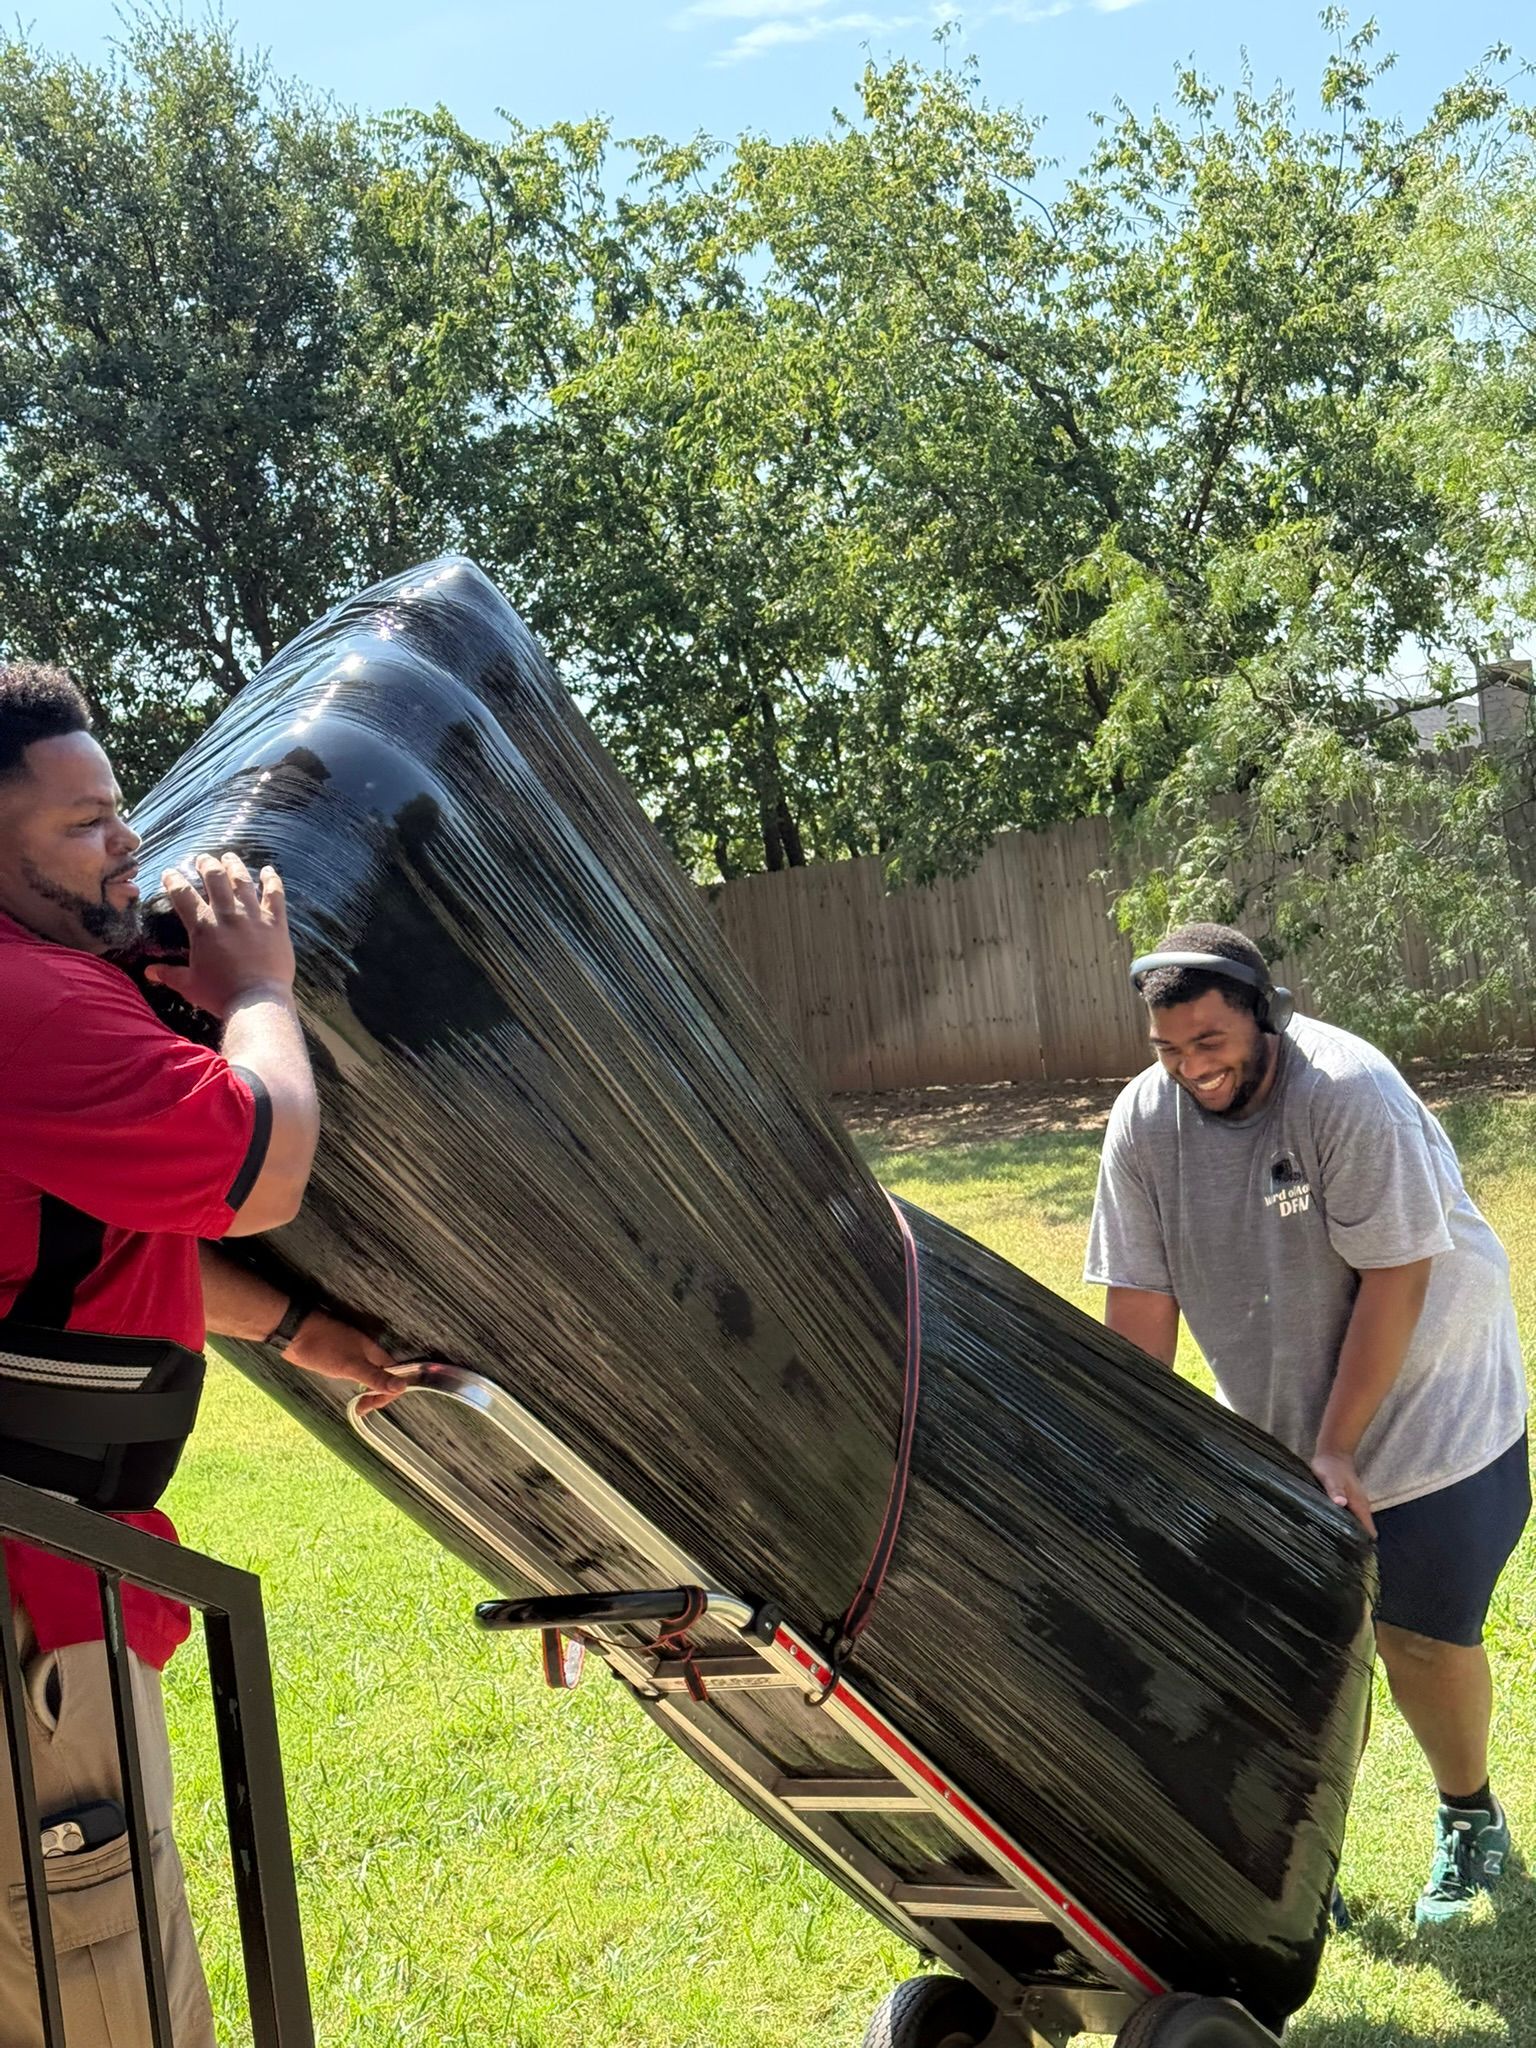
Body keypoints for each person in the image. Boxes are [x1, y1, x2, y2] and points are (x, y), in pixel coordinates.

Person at [0, 662, 404, 2045]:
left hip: (46, 1572)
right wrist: (257, 990)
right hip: (31, 1613)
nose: (128, 843)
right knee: (91, 1986)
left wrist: (304, 1331)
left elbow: (85, 1268)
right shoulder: (31, 1009)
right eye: (85, 823)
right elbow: (259, 1162)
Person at [1085, 921, 1529, 1929]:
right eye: (1169, 1049)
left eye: (1210, 1041)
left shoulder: (1345, 1091)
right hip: (1286, 1427)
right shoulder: (1145, 1125)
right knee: (1300, 1651)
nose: (1193, 1067)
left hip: (1432, 1409)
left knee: (1417, 1636)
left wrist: (1339, 1444)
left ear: (1265, 1013)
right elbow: (1141, 1304)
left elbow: (1396, 1276)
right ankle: (1298, 1864)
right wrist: (1127, 1454)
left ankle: (1470, 1815)